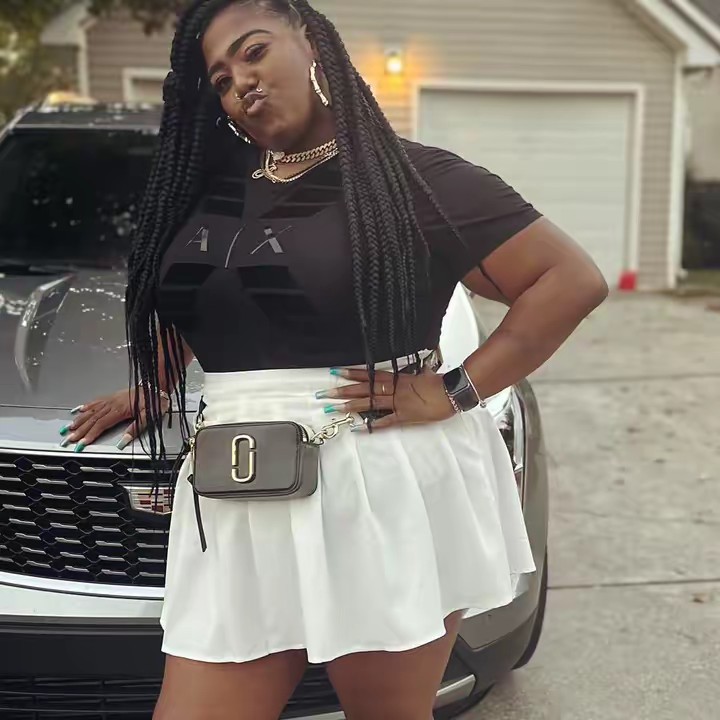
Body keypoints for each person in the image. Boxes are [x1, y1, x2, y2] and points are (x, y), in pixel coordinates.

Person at [60, 0, 608, 718]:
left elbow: (569, 280)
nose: (241, 82)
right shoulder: (215, 192)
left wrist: (455, 390)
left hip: (376, 479)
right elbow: (212, 295)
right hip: (239, 485)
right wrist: (157, 382)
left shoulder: (415, 179)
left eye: (254, 52)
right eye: (221, 79)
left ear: (312, 41)